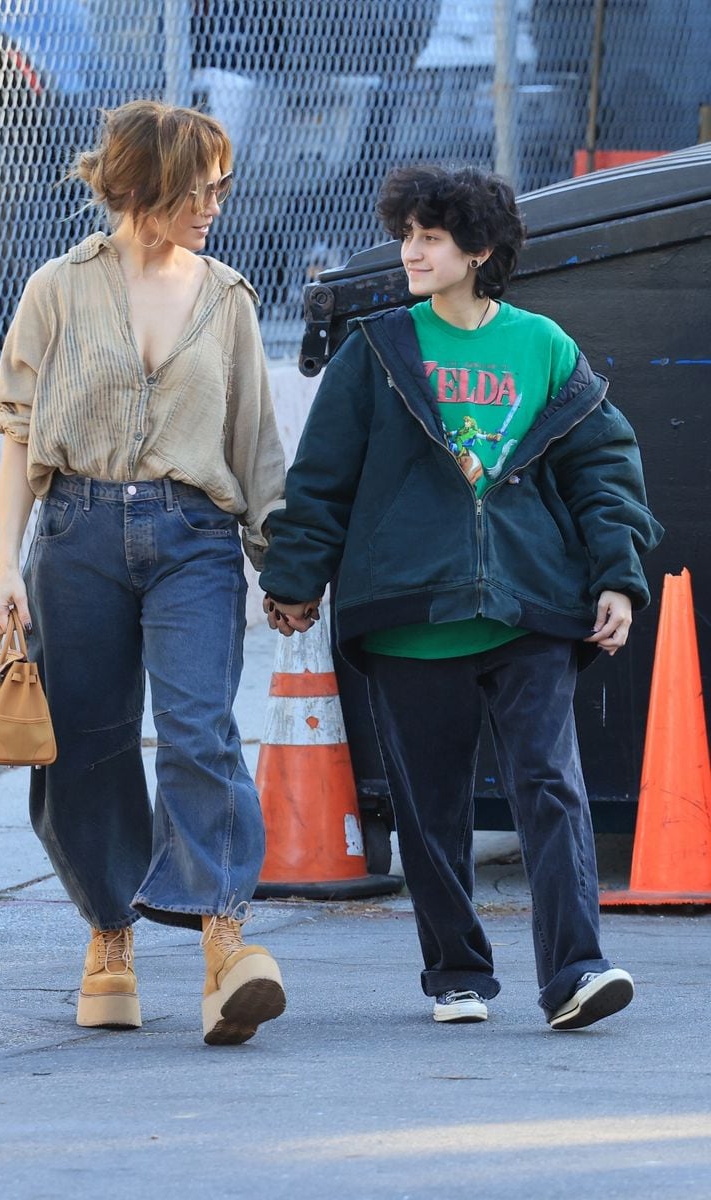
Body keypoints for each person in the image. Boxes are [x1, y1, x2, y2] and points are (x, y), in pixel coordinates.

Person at [259, 164, 663, 1031]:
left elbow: (603, 472)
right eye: (407, 235)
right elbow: (322, 479)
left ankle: (576, 973)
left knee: (550, 787)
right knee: (429, 809)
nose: (412, 251)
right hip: (409, 615)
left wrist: (617, 579)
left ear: (480, 250)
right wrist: (293, 579)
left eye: (431, 237)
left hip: (529, 608)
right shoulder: (377, 349)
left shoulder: (544, 347)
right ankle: (457, 975)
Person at [0, 100, 287, 1046]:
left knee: (201, 729)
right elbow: (21, 435)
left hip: (196, 535)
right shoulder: (56, 289)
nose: (214, 203)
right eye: (200, 187)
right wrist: (3, 567)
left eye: (220, 186)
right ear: (148, 187)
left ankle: (224, 943)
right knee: (85, 743)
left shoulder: (230, 298)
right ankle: (109, 938)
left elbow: (258, 448)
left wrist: (282, 567)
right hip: (74, 534)